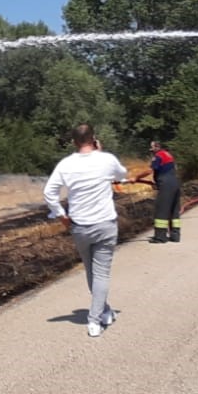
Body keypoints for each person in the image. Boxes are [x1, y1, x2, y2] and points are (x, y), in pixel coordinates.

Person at [43, 123, 129, 338]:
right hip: (105, 224)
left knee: (91, 271)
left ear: (74, 142)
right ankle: (94, 320)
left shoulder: (65, 164)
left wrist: (61, 215)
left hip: (79, 226)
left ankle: (105, 310)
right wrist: (101, 153)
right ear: (94, 139)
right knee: (100, 273)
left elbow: (49, 192)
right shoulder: (106, 159)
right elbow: (122, 175)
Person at [142, 141, 182, 243]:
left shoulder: (158, 156)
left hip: (166, 184)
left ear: (157, 147)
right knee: (174, 211)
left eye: (152, 149)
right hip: (175, 183)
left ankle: (160, 237)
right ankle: (175, 236)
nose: (151, 151)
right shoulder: (168, 155)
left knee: (161, 210)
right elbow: (166, 171)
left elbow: (149, 171)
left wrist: (136, 178)